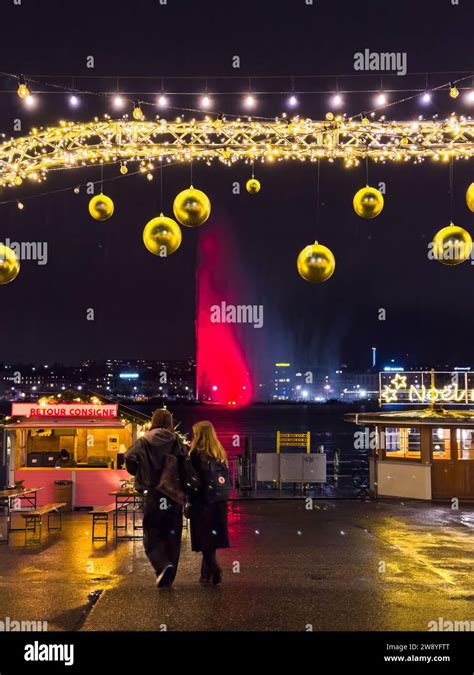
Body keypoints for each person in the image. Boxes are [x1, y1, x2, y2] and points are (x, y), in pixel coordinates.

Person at [125, 408, 184, 588]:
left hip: (153, 492)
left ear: (153, 420)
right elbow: (184, 462)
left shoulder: (144, 441)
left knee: (151, 533)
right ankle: (169, 575)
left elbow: (129, 456)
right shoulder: (176, 441)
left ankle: (161, 565)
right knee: (173, 535)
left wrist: (139, 472)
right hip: (173, 494)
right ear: (169, 422)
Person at [189, 421, 230, 585]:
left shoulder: (195, 455)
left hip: (202, 502)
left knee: (204, 539)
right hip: (218, 502)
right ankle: (205, 576)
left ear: (199, 434)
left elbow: (192, 481)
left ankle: (214, 568)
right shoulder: (219, 452)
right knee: (210, 539)